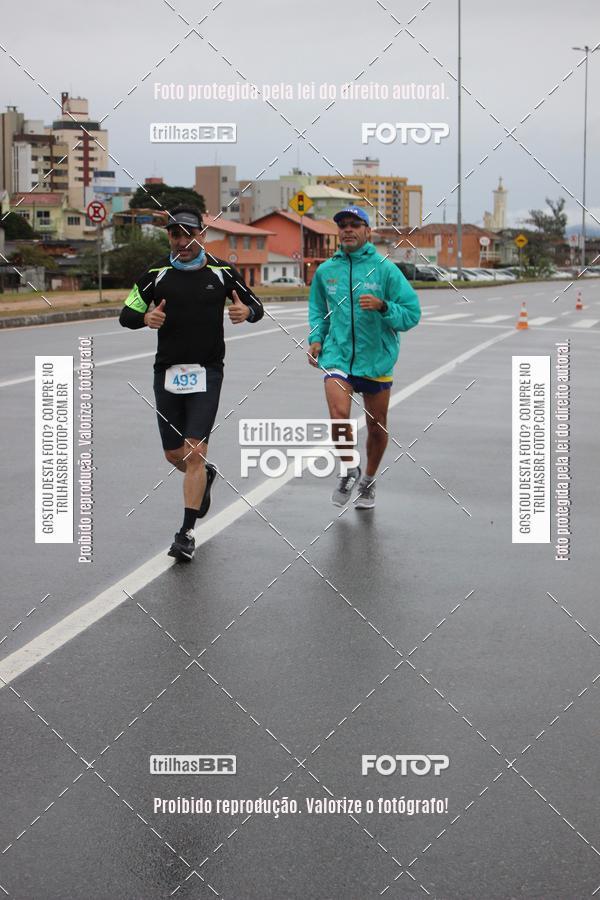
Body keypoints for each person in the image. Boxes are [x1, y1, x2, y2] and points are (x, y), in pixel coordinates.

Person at [119, 206, 264, 560]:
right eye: (175, 234)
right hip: (167, 372)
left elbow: (257, 306)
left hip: (207, 372)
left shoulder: (222, 272)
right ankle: (204, 476)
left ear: (202, 234)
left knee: (194, 451)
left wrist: (246, 312)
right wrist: (145, 318)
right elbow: (126, 315)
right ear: (169, 237)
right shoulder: (155, 274)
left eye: (189, 234)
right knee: (175, 454)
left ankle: (185, 534)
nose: (182, 241)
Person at [307, 206, 421, 509]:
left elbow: (412, 314)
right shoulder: (326, 271)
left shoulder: (385, 269)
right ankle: (349, 469)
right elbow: (318, 311)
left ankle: (368, 480)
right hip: (338, 355)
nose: (347, 229)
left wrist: (384, 307)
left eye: (354, 224)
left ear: (367, 231)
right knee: (338, 414)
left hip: (376, 359)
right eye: (342, 225)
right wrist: (316, 339)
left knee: (377, 425)